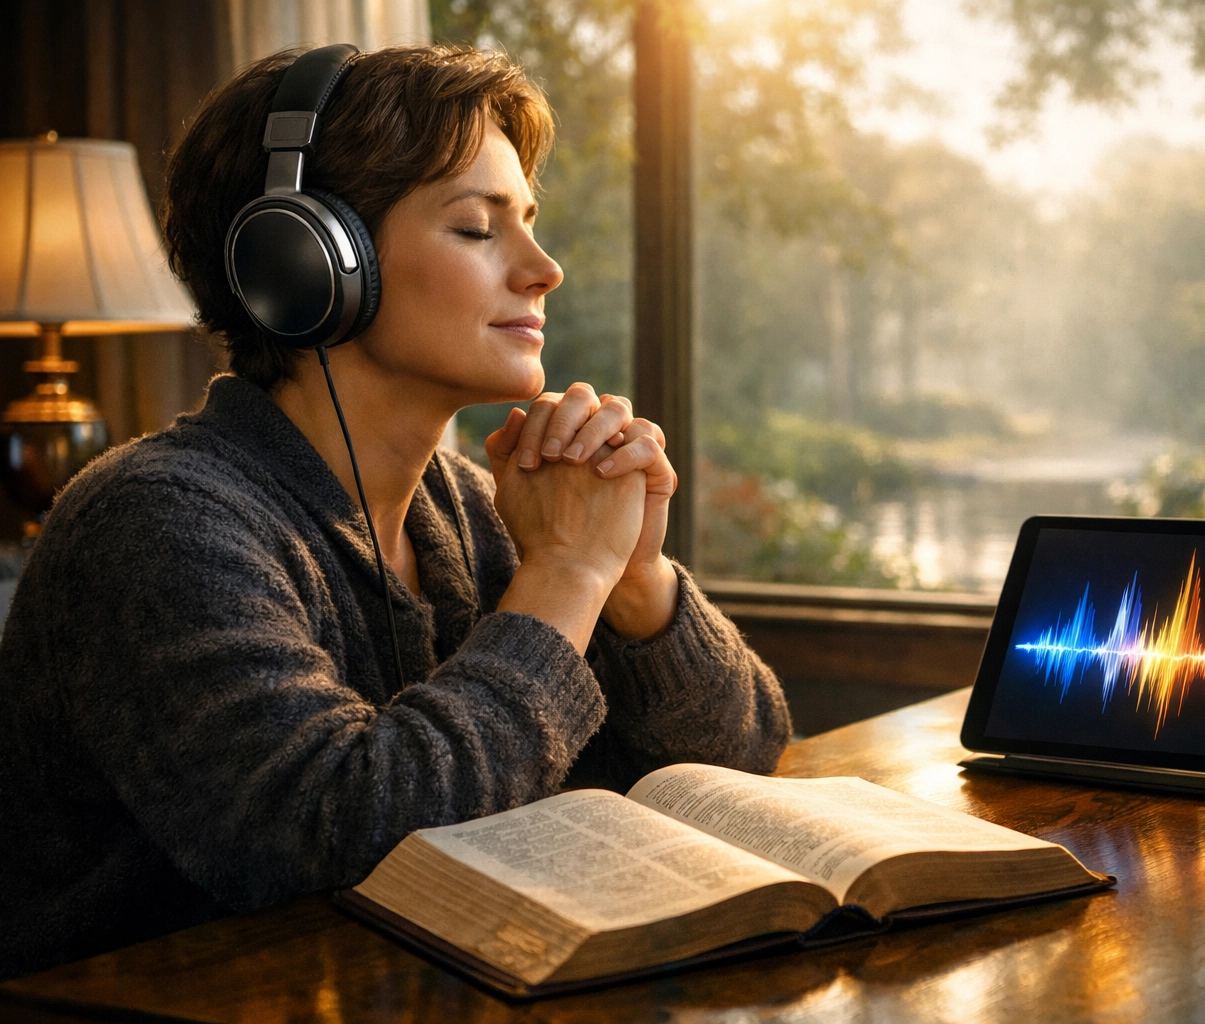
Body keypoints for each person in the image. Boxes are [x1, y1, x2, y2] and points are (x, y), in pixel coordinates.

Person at [0, 45, 790, 979]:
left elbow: (742, 755)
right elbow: (334, 843)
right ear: (305, 264)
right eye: (476, 228)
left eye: (529, 222)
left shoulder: (471, 505)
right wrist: (566, 575)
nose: (544, 269)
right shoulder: (153, 525)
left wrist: (634, 583)